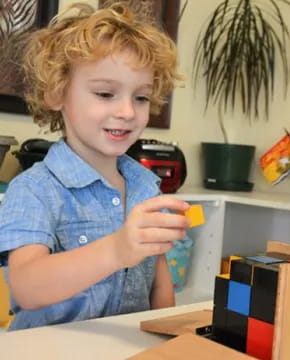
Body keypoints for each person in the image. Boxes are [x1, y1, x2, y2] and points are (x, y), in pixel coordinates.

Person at [0, 2, 191, 331]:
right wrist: (117, 249)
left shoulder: (146, 188)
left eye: (141, 98)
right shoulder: (33, 190)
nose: (128, 112)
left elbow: (160, 285)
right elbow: (27, 288)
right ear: (58, 94)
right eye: (106, 93)